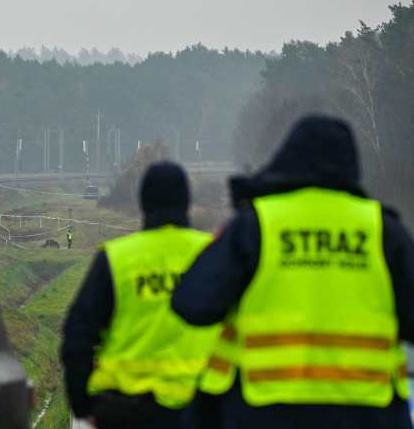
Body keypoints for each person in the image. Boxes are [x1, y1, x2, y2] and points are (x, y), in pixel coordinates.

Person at [172, 114, 414, 429]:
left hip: (263, 410)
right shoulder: (384, 230)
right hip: (367, 412)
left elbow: (193, 304)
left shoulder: (255, 225)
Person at [61, 162, 220, 429]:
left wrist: (82, 405)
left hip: (125, 413)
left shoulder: (116, 258)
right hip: (201, 409)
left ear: (143, 203)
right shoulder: (213, 253)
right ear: (186, 202)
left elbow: (77, 334)